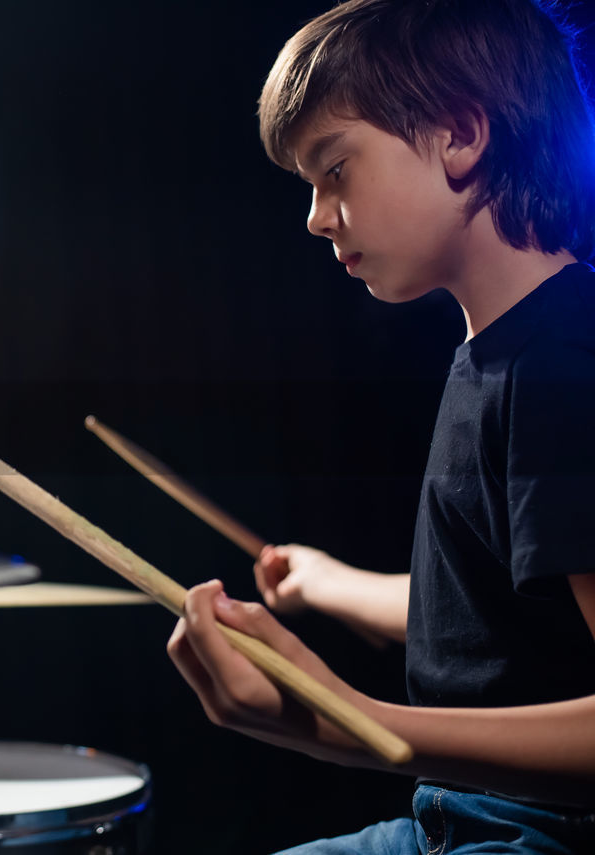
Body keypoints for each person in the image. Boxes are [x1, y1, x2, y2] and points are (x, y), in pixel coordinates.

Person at [165, 0, 595, 852]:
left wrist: (352, 722)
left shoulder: (564, 363)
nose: (318, 215)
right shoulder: (505, 349)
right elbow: (505, 620)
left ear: (460, 137)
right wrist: (325, 582)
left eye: (335, 169)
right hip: (472, 818)